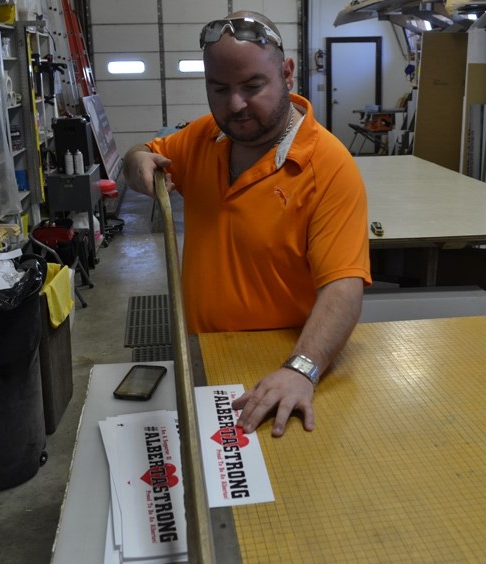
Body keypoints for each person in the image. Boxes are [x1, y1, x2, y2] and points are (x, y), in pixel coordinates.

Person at [123, 11, 371, 437]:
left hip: (280, 368)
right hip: (202, 352)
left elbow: (344, 285)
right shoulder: (202, 139)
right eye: (219, 89)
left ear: (287, 73)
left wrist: (302, 369)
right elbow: (143, 153)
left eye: (252, 86)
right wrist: (136, 161)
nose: (234, 105)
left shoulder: (328, 167)